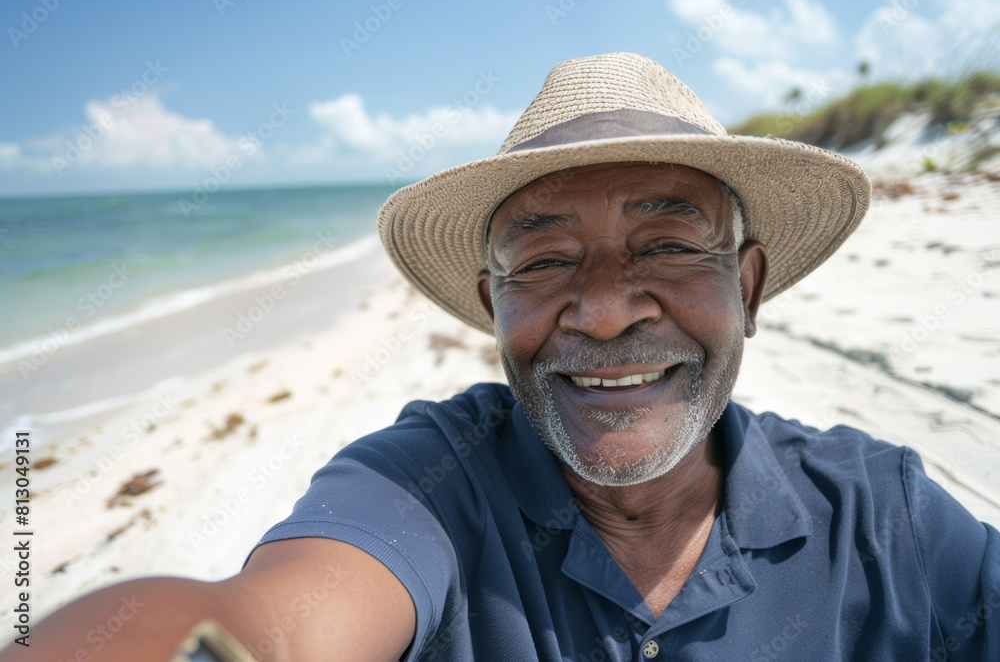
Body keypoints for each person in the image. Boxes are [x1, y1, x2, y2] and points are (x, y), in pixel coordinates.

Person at [8, 52, 998, 661]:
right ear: (493, 306)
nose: (605, 311)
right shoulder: (424, 487)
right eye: (547, 260)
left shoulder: (885, 517)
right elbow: (273, 625)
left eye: (664, 244)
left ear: (745, 285)